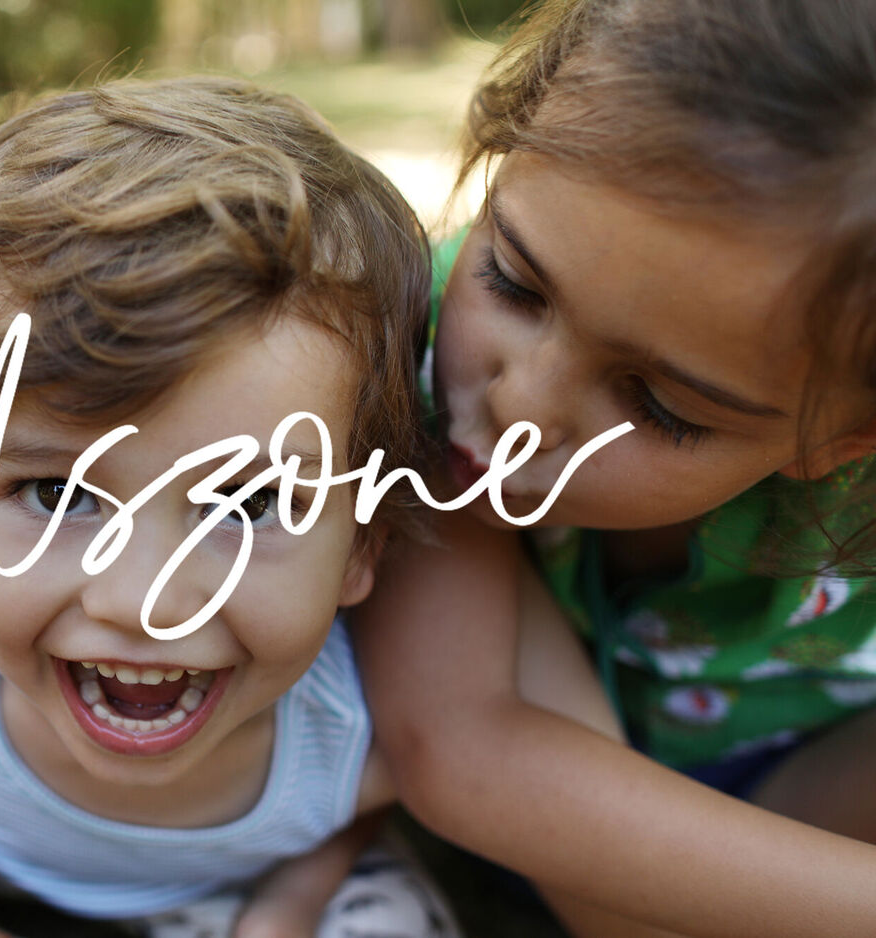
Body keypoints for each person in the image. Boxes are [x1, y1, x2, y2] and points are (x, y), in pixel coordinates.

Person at [0, 77, 460, 938]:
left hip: (230, 902)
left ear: (362, 544)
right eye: (58, 495)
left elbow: (343, 809)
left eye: (245, 506)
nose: (143, 601)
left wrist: (288, 906)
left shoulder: (360, 735)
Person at [354, 1, 876, 936]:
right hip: (548, 820)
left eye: (661, 405)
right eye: (512, 282)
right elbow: (463, 748)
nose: (521, 404)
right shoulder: (414, 370)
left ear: (841, 444)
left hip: (801, 792)